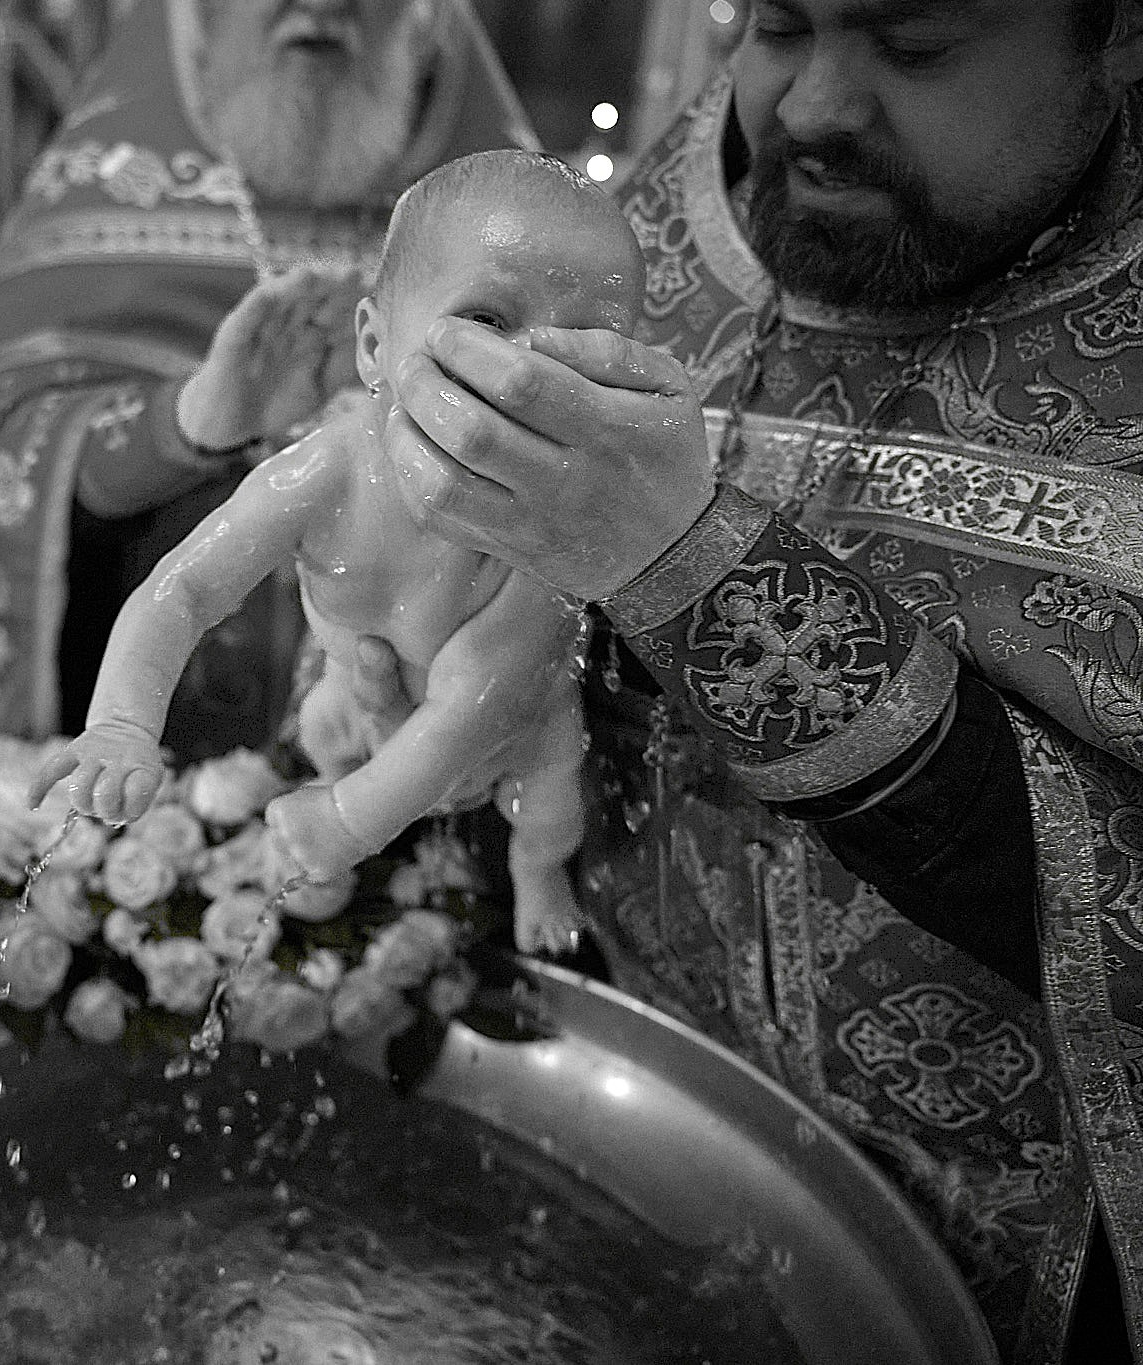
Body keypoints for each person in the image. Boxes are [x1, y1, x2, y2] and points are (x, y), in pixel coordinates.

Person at [338, 1, 1143, 1358]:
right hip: (622, 1145)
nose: (813, 104)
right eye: (776, 25)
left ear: (1115, 33)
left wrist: (693, 570)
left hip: (1015, 1261)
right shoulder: (667, 210)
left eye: (915, 45)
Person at [0, 0, 535, 766]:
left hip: (437, 758)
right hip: (163, 782)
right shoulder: (111, 194)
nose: (324, 7)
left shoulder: (506, 222)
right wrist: (181, 423)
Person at [28, 151, 634, 954]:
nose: (525, 373)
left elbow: (474, 705)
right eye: (488, 320)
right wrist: (120, 721)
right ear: (374, 344)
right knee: (325, 733)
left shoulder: (547, 528)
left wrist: (349, 822)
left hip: (520, 730)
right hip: (353, 696)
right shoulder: (326, 471)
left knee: (552, 806)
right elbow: (186, 588)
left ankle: (537, 870)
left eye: (582, 344)